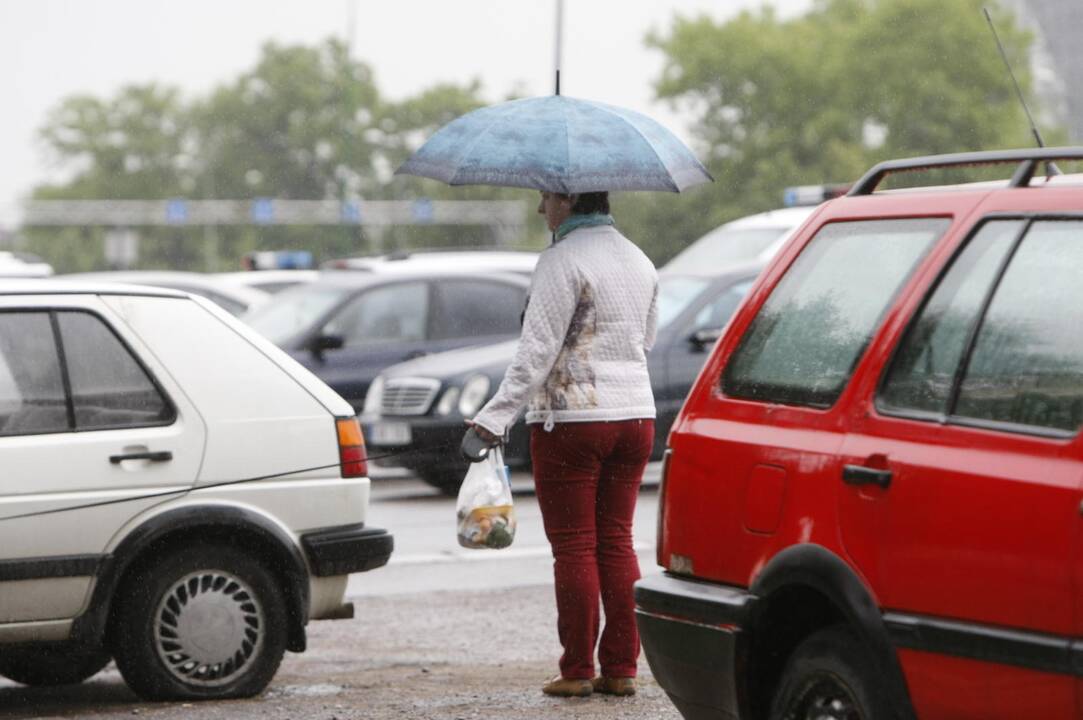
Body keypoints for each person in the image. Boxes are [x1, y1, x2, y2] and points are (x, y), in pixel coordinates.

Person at [468, 189, 658, 698]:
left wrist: (491, 420)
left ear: (569, 199)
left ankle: (576, 670)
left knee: (574, 546)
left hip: (572, 420)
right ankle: (621, 668)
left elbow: (536, 352)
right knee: (617, 541)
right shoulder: (640, 259)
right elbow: (648, 339)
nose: (540, 210)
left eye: (545, 198)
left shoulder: (560, 260)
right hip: (636, 416)